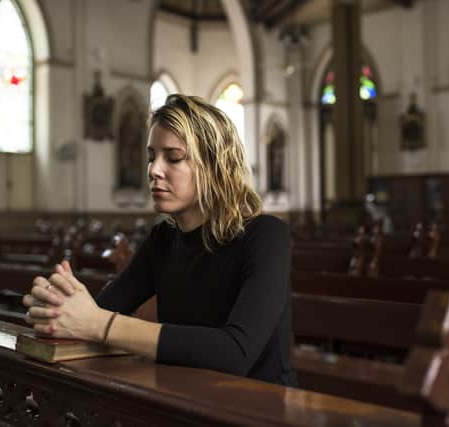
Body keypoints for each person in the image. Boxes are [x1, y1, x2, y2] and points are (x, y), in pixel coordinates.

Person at [22, 94, 297, 386]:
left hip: (262, 407)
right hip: (187, 399)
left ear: (215, 165)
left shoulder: (266, 235)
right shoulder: (162, 240)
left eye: (173, 157)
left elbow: (235, 353)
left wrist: (99, 324)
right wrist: (57, 305)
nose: (154, 170)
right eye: (152, 156)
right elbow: (99, 311)